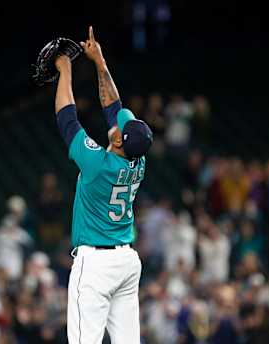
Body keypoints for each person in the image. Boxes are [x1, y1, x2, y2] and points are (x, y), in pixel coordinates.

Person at [53, 26, 153, 343]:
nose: (119, 121)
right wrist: (100, 62)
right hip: (126, 262)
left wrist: (64, 69)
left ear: (120, 141)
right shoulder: (137, 159)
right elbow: (113, 105)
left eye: (121, 128)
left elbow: (67, 119)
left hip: (95, 264)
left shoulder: (99, 166)